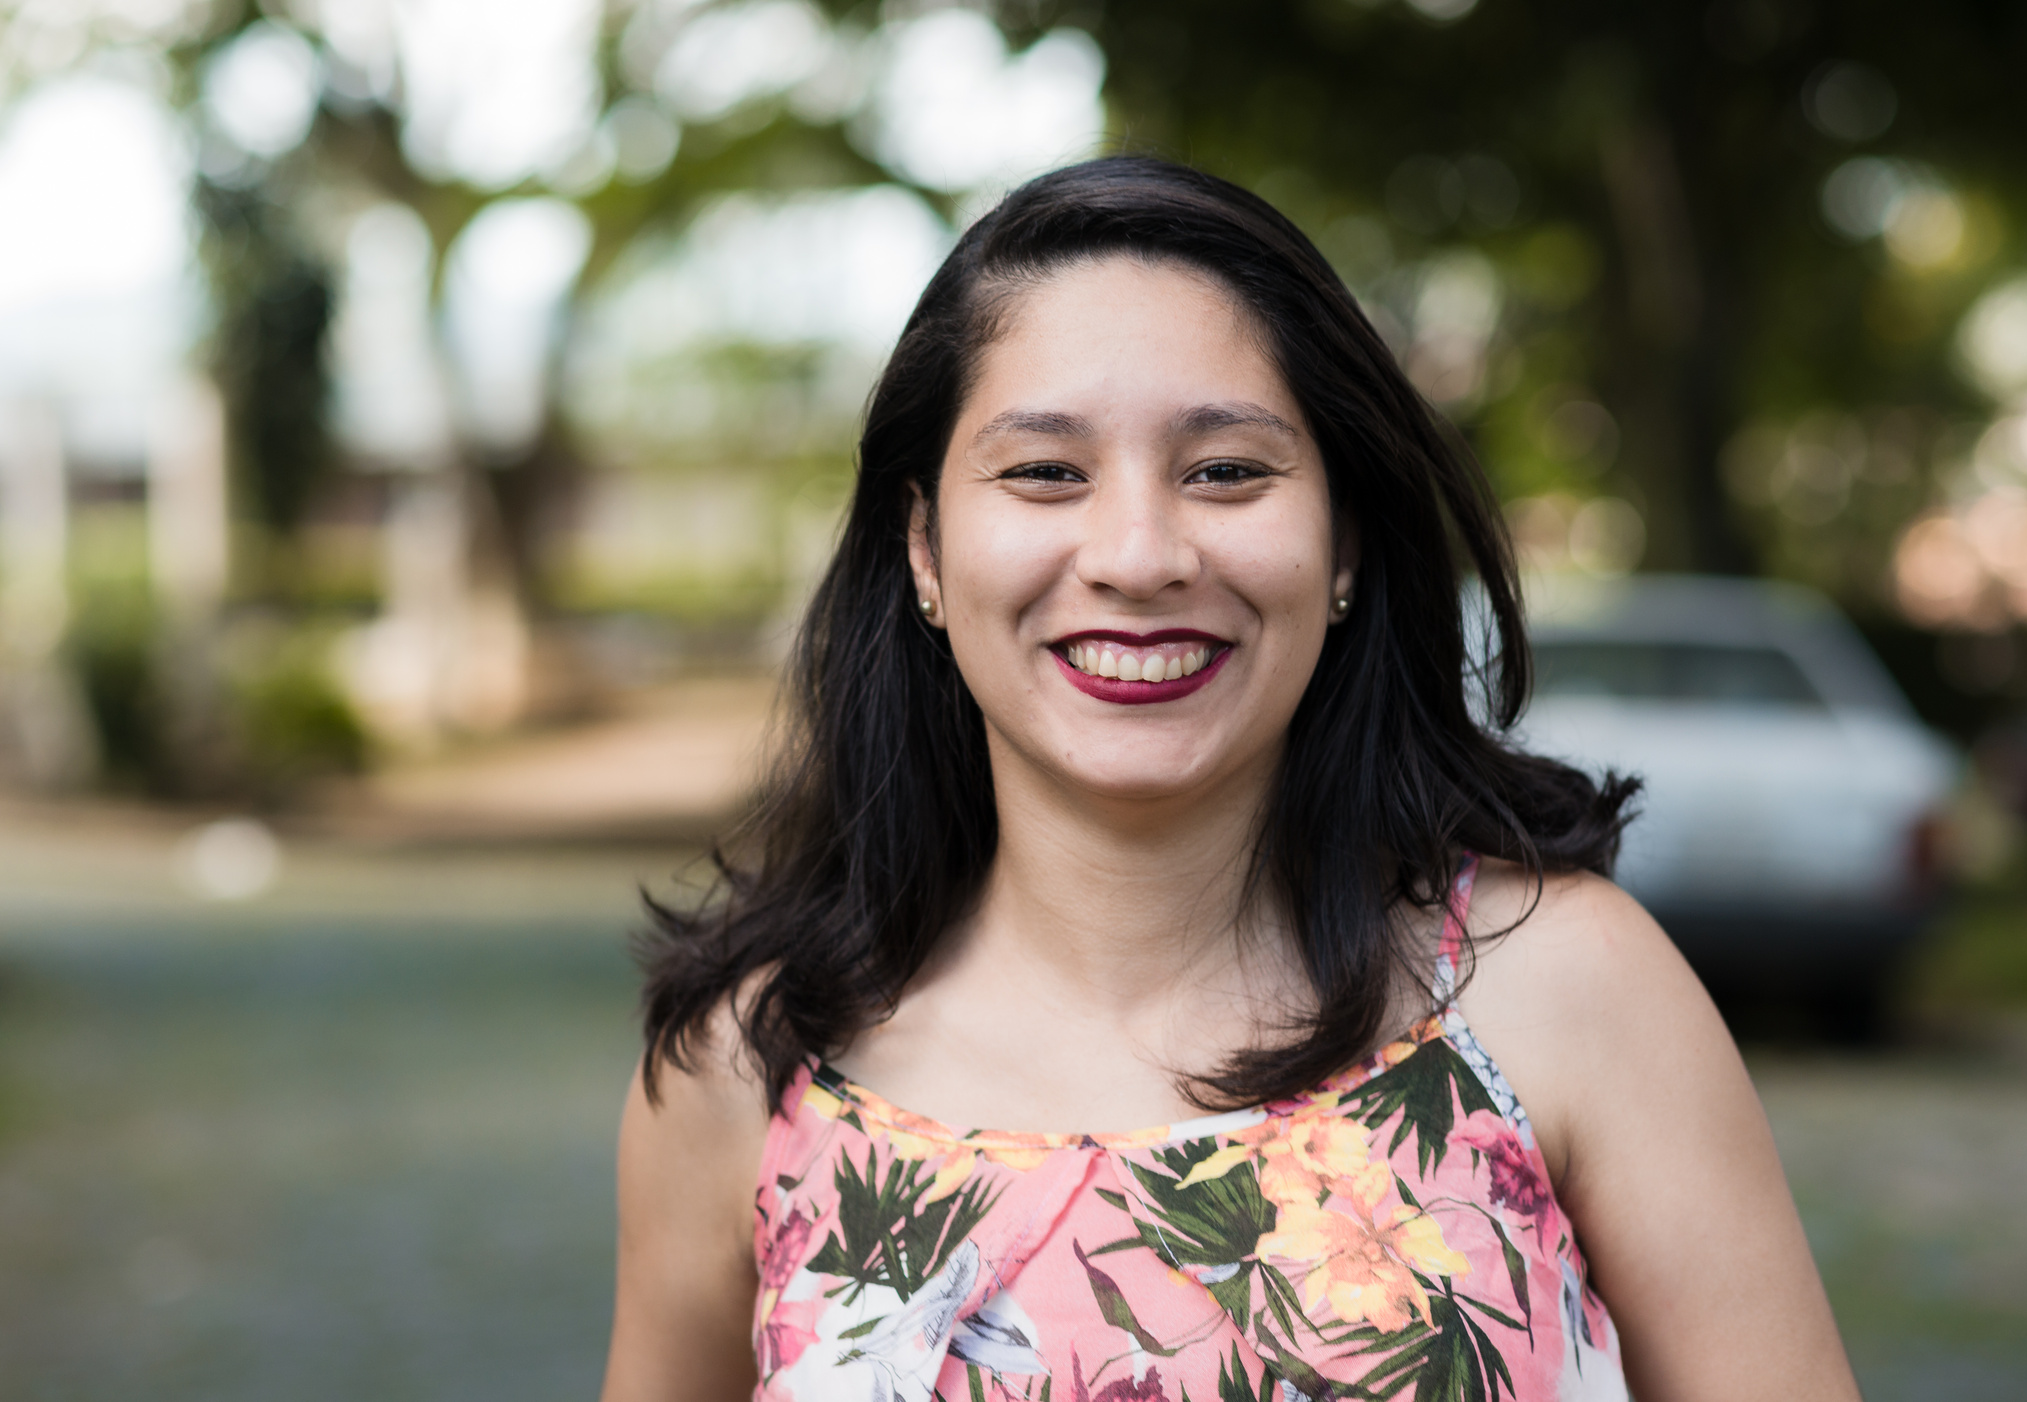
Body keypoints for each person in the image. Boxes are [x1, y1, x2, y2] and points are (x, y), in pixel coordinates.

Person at [601, 157, 1859, 1402]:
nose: (1139, 555)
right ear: (924, 548)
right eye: (1046, 470)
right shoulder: (746, 1068)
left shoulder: (1569, 992)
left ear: (1345, 539)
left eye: (1226, 471)